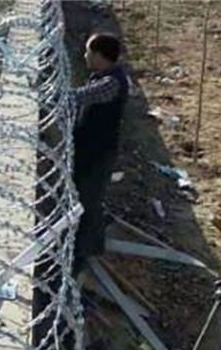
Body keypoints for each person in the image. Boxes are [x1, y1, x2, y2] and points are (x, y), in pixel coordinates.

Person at [71, 32, 128, 272]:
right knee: (84, 198)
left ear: (99, 56)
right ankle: (82, 246)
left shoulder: (112, 83)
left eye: (88, 52)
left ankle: (82, 255)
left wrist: (49, 96)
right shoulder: (102, 77)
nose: (85, 56)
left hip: (99, 153)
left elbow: (79, 97)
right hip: (90, 150)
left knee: (88, 201)